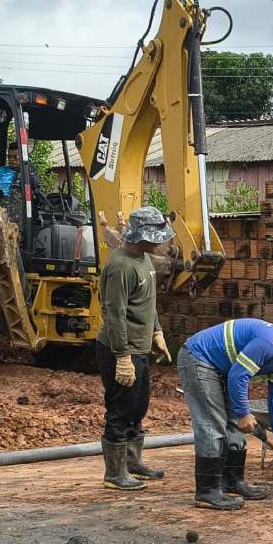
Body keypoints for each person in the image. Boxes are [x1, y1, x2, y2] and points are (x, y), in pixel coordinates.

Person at [178, 318, 273, 510]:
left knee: (235, 424)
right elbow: (238, 375)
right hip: (199, 358)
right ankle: (206, 491)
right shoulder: (270, 342)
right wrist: (244, 412)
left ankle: (233, 482)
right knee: (213, 423)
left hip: (223, 369)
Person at [96, 206, 174, 492]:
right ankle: (114, 473)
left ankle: (132, 462)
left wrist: (156, 331)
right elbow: (114, 313)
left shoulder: (144, 259)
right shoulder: (121, 266)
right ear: (141, 236)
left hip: (139, 347)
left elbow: (147, 302)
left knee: (138, 406)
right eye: (156, 237)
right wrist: (122, 356)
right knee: (120, 408)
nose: (160, 242)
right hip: (120, 348)